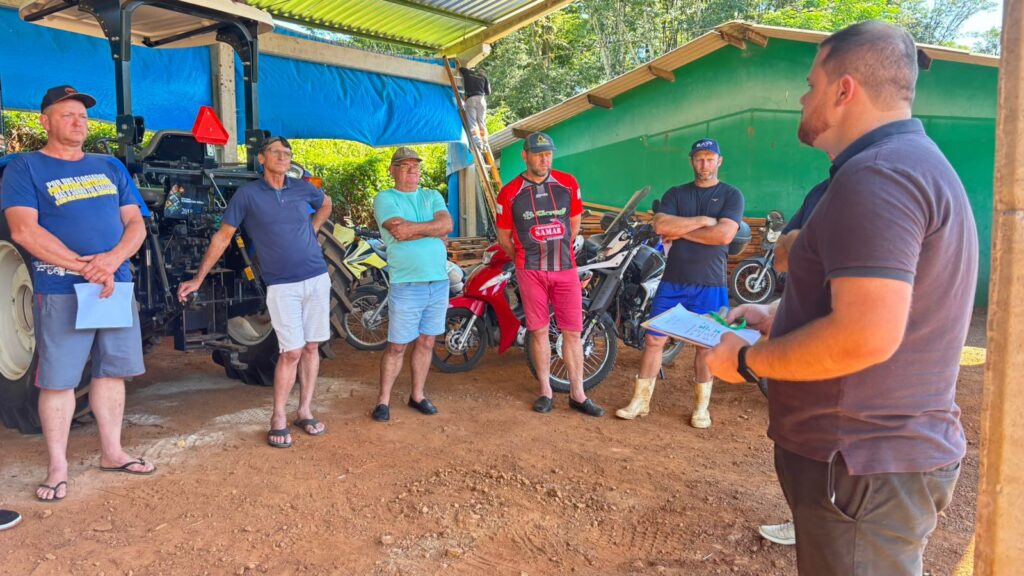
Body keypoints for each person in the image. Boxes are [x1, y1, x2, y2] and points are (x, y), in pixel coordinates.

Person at [706, 21, 978, 575]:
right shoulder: (903, 164)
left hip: (862, 463)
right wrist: (779, 314)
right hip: (871, 465)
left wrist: (748, 361)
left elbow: (865, 333)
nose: (803, 99)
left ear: (844, 90)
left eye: (811, 86)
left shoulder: (878, 176)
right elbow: (877, 302)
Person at [2, 85, 154, 501]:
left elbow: (135, 224)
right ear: (45, 121)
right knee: (59, 380)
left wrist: (111, 261)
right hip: (61, 287)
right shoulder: (24, 168)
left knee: (111, 372)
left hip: (112, 285)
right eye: (67, 115)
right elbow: (23, 230)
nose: (78, 122)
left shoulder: (110, 166)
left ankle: (113, 452)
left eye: (83, 116)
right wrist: (86, 267)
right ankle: (57, 467)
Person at [178, 136, 333, 448]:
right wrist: (198, 278)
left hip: (317, 277)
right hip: (282, 285)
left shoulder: (302, 187)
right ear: (261, 159)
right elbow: (223, 237)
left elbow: (326, 202)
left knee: (312, 347)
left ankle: (304, 410)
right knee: (291, 352)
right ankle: (278, 416)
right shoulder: (247, 195)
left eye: (287, 153)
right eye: (276, 152)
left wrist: (314, 227)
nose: (283, 157)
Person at [616, 138, 744, 428]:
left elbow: (724, 236)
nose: (704, 164)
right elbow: (661, 226)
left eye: (710, 158)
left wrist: (682, 230)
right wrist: (704, 220)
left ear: (719, 161)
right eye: (699, 158)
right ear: (691, 161)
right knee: (654, 339)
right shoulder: (676, 193)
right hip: (673, 281)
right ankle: (640, 402)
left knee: (705, 346)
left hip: (711, 283)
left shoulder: (731, 195)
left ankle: (701, 408)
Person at [496, 132, 603, 417]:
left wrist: (559, 250)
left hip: (565, 269)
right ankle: (545, 391)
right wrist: (524, 257)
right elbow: (504, 237)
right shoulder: (510, 192)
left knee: (573, 331)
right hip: (530, 271)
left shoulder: (568, 184)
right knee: (539, 330)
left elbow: (574, 224)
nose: (545, 159)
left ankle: (578, 393)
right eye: (538, 154)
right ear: (525, 156)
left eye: (548, 154)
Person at [371, 147, 452, 422]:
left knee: (427, 341)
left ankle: (417, 395)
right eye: (404, 166)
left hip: (438, 282)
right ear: (392, 170)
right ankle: (383, 401)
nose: (412, 170)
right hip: (406, 284)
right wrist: (433, 231)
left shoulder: (432, 195)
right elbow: (398, 230)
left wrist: (415, 229)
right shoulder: (385, 198)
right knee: (397, 345)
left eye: (415, 166)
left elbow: (446, 224)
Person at [459, 67, 491, 156]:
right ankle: (484, 142)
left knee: (473, 123)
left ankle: (479, 144)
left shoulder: (467, 72)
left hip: (471, 99)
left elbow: (460, 68)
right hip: (481, 100)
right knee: (481, 123)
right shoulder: (483, 76)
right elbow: (488, 92)